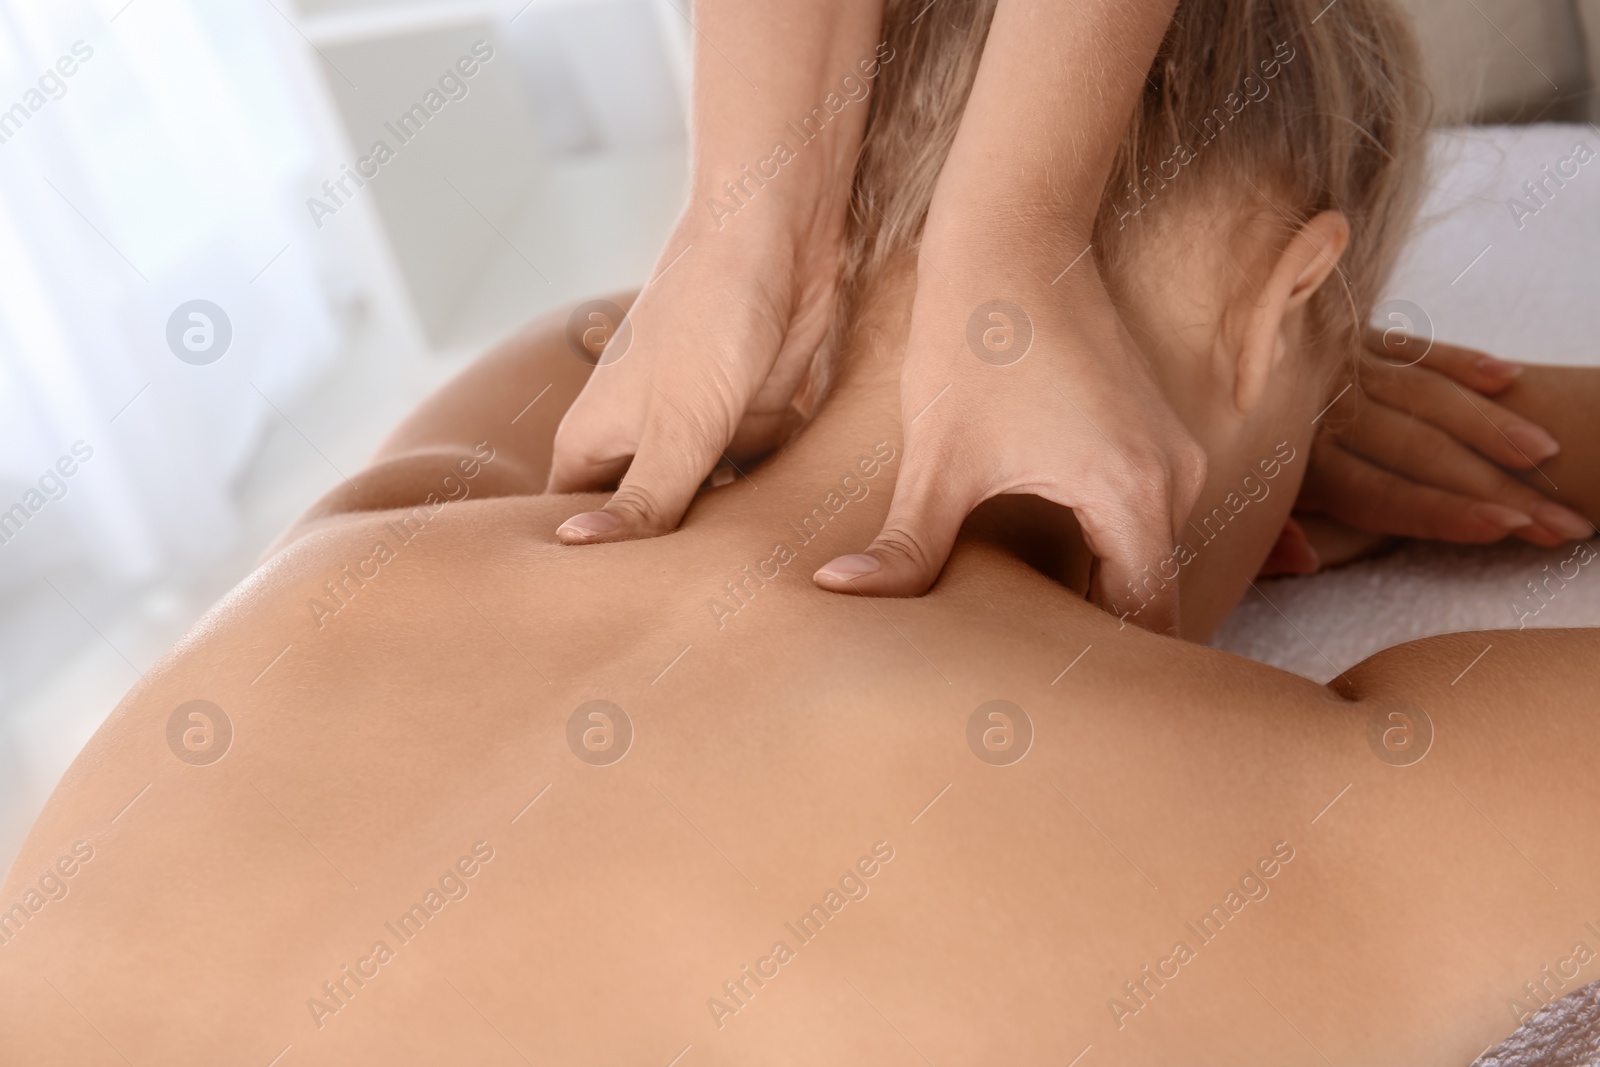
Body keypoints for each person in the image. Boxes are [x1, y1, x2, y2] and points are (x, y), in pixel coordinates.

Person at [1, 0, 1596, 1062]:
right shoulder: (1321, 812)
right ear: (1289, 298)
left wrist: (821, 238)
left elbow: (598, 340)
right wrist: (1416, 410)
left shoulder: (368, 546)